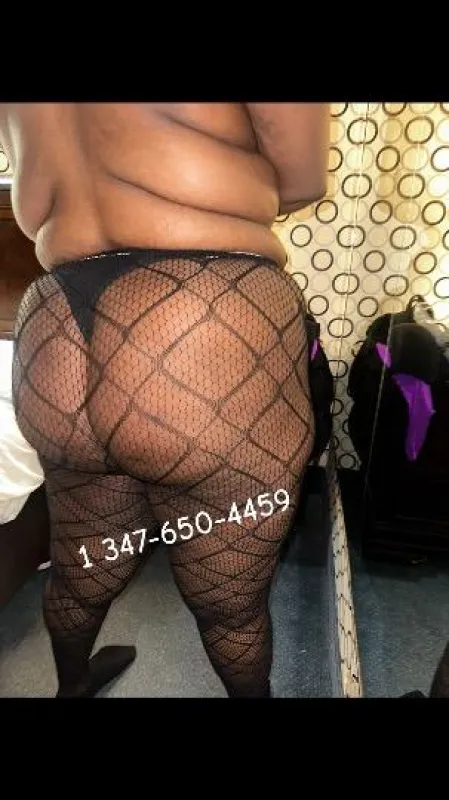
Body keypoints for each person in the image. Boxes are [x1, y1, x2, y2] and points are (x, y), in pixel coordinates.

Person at [0, 102, 330, 698]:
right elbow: (302, 178)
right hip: (200, 306)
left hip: (54, 315)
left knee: (83, 564)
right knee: (230, 605)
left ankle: (72, 688)